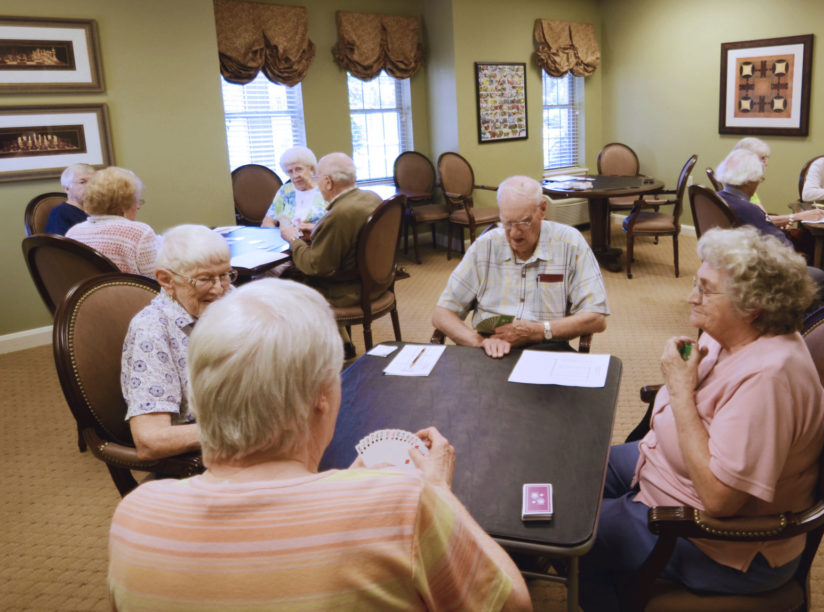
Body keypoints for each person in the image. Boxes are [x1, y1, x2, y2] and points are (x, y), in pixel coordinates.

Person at [108, 279, 532, 611]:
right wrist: (438, 492)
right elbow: (513, 605)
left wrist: (346, 485)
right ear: (321, 398)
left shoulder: (135, 514)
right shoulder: (404, 505)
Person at [579, 226, 824, 610]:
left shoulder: (768, 378)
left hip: (714, 540)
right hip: (662, 464)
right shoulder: (727, 332)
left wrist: (678, 390)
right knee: (571, 473)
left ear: (753, 304)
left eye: (706, 289)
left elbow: (718, 499)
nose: (689, 297)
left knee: (579, 534)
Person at [432, 175, 609, 359]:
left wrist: (538, 330)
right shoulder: (485, 246)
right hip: (488, 347)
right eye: (507, 223)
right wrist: (478, 341)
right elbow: (442, 313)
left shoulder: (570, 243)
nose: (514, 234)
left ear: (542, 209)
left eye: (524, 222)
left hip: (548, 346)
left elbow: (596, 317)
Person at [120, 225, 234, 461]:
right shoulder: (152, 331)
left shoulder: (229, 297)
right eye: (205, 279)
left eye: (224, 275)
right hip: (211, 453)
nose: (220, 289)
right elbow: (151, 439)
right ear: (166, 280)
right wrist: (246, 431)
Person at [282, 152, 381, 354]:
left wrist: (293, 238)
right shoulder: (372, 198)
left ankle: (312, 357)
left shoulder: (339, 214)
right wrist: (319, 228)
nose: (317, 183)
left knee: (286, 285)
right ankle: (343, 344)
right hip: (379, 282)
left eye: (318, 178)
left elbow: (315, 267)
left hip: (349, 292)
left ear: (327, 182)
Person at [714, 149, 824, 293]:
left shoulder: (715, 198)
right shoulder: (749, 209)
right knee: (820, 276)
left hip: (724, 264)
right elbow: (786, 249)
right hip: (756, 271)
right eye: (760, 179)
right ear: (749, 181)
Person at [66, 166, 158, 276]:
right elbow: (157, 282)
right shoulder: (139, 233)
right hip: (131, 292)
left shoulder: (72, 233)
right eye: (136, 201)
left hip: (86, 293)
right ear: (124, 204)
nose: (138, 206)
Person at [260, 145, 328, 234]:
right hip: (290, 241)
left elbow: (338, 224)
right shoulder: (286, 190)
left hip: (318, 240)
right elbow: (268, 222)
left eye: (299, 169)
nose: (295, 175)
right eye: (290, 171)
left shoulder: (326, 188)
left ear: (311, 169)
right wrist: (278, 235)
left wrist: (312, 227)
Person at [44, 163, 94, 235]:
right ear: (67, 188)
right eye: (82, 182)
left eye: (93, 181)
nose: (90, 186)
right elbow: (57, 244)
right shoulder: (60, 213)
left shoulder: (99, 210)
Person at [731, 137, 771, 206]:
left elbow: (762, 215)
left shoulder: (745, 181)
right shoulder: (744, 185)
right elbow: (762, 216)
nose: (766, 164)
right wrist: (792, 216)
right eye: (762, 158)